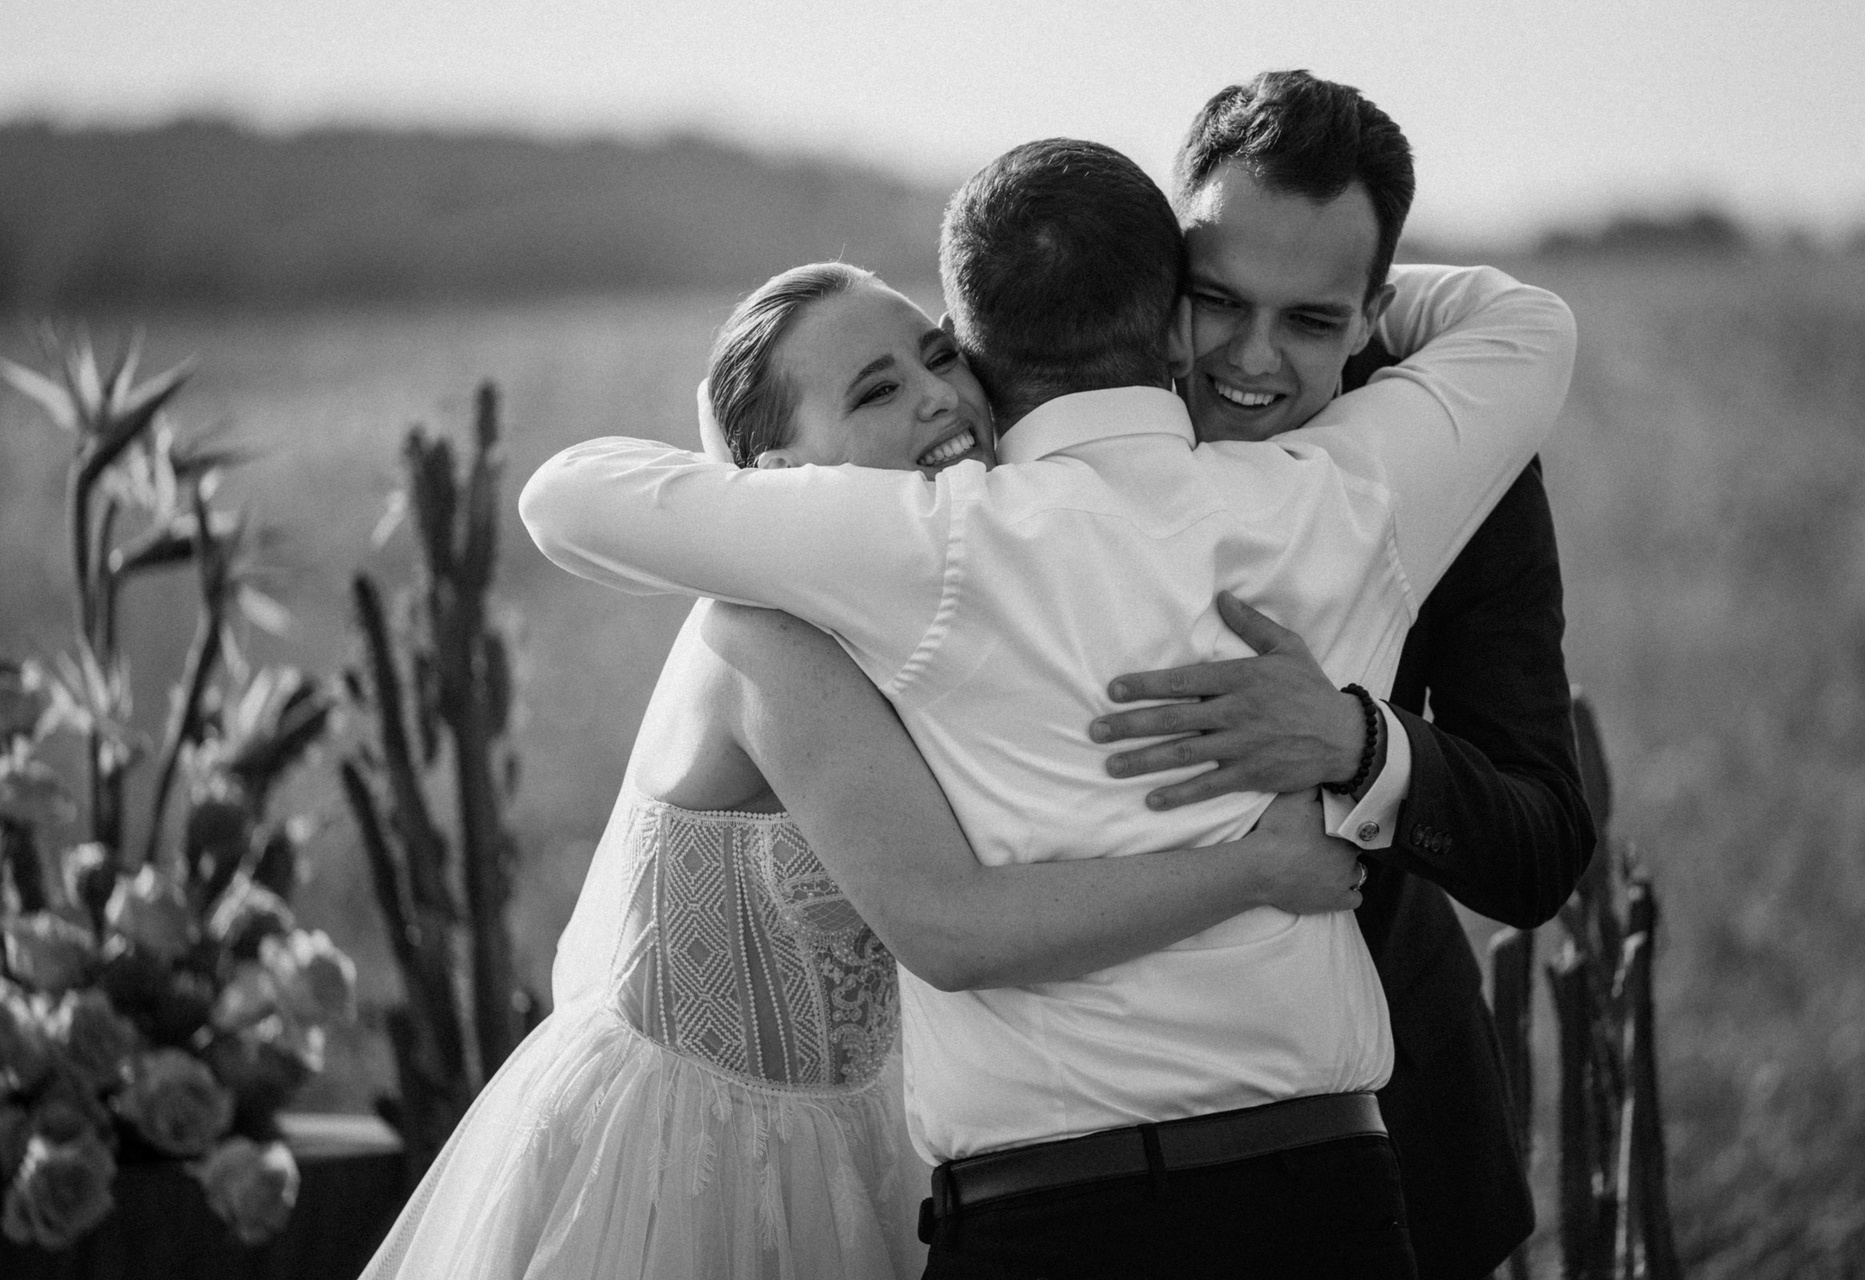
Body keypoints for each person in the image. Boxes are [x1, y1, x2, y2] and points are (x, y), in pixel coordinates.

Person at [521, 139, 1574, 1276]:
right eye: (1222, 301)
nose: (1256, 350)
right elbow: (1529, 327)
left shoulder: (913, 546)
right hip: (1295, 1191)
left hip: (1128, 1199)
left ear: (976, 341)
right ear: (1174, 321)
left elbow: (570, 497)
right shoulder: (1347, 492)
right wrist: (1335, 295)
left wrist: (761, 511)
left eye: (937, 358)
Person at [360, 264, 1381, 1280]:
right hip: (694, 1172)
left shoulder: (966, 575)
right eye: (877, 390)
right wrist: (1257, 870)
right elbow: (949, 926)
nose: (937, 394)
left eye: (940, 356)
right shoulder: (767, 635)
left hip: (861, 1143)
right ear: (772, 479)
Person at [1084, 72, 1597, 1278]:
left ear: (1374, 315)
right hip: (1076, 1148)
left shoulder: (1459, 452)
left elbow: (1540, 842)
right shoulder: (1061, 388)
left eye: (1313, 320)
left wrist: (1361, 746)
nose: (1251, 358)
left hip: (1389, 1127)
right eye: (1218, 299)